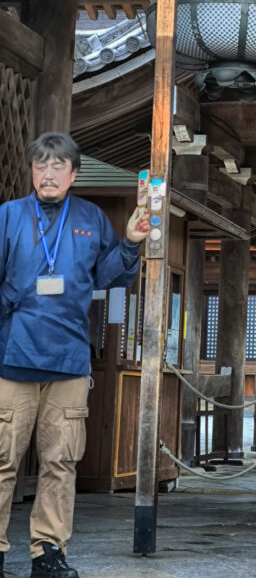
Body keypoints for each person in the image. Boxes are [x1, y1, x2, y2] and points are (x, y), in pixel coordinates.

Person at [0, 133, 150, 578]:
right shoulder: (8, 216)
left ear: (73, 173)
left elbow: (108, 277)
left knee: (61, 461)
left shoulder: (90, 218)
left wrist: (130, 241)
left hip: (69, 359)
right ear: (31, 171)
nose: (48, 174)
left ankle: (48, 554)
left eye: (57, 166)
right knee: (3, 459)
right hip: (13, 357)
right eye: (40, 165)